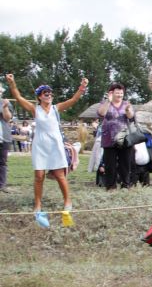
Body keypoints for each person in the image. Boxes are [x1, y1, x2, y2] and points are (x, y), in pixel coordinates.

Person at [4, 74, 88, 227]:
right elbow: (18, 96)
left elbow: (73, 100)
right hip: (40, 145)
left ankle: (67, 202)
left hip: (55, 145)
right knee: (39, 175)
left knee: (59, 175)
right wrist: (12, 83)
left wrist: (82, 87)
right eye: (45, 93)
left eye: (50, 93)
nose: (48, 95)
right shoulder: (34, 109)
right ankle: (37, 205)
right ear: (39, 97)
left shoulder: (56, 108)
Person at [97, 82, 135, 191]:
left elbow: (131, 117)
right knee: (110, 165)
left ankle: (125, 185)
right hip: (109, 139)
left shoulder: (126, 103)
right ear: (111, 93)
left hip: (124, 138)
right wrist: (108, 101)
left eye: (121, 93)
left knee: (125, 164)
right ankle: (110, 186)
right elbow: (101, 113)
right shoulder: (105, 103)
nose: (119, 95)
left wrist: (128, 110)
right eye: (117, 93)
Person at [0, 96, 12, 192]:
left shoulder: (5, 102)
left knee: (2, 162)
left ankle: (2, 185)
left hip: (3, 137)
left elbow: (7, 118)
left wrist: (4, 107)